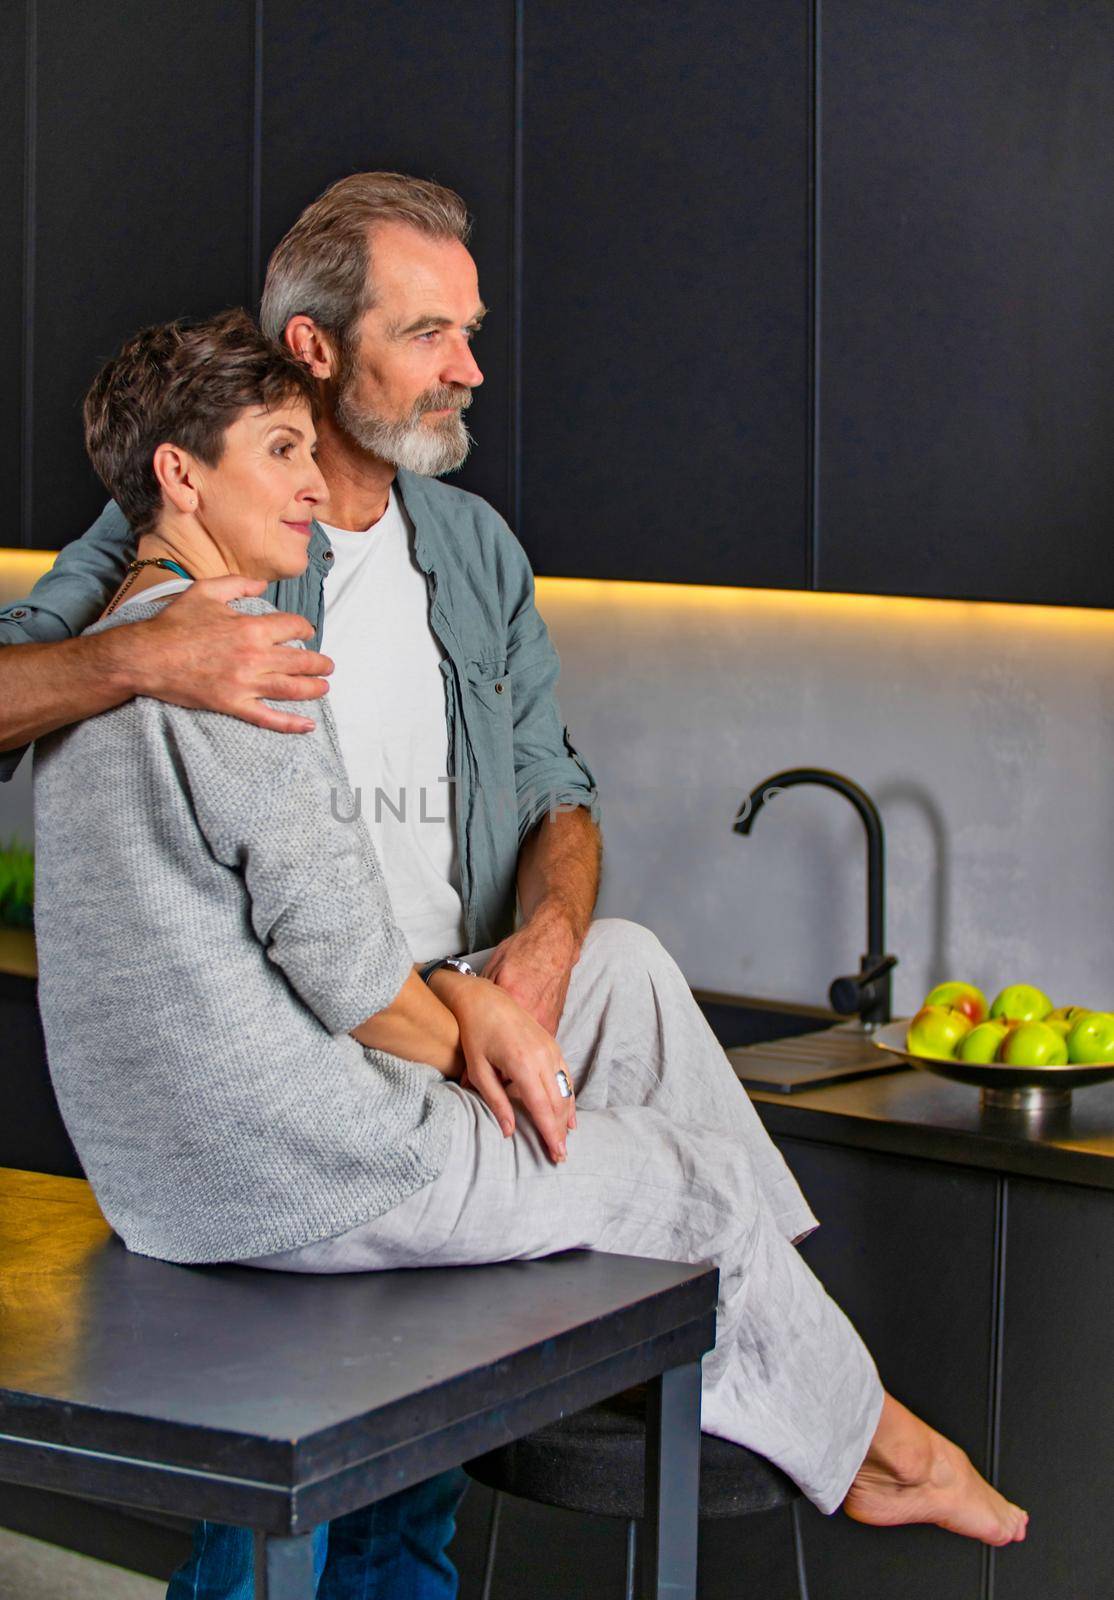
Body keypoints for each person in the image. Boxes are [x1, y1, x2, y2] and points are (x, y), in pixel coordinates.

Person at [11, 181, 1027, 1600]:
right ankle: (849, 1429)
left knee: (630, 971)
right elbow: (319, 943)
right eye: (430, 331)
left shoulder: (469, 548)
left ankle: (757, 1351)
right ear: (313, 349)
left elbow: (557, 791)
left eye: (469, 330)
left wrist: (538, 956)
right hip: (322, 1058)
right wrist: (140, 658)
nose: (470, 367)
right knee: (647, 1219)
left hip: (428, 1008)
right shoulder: (179, 585)